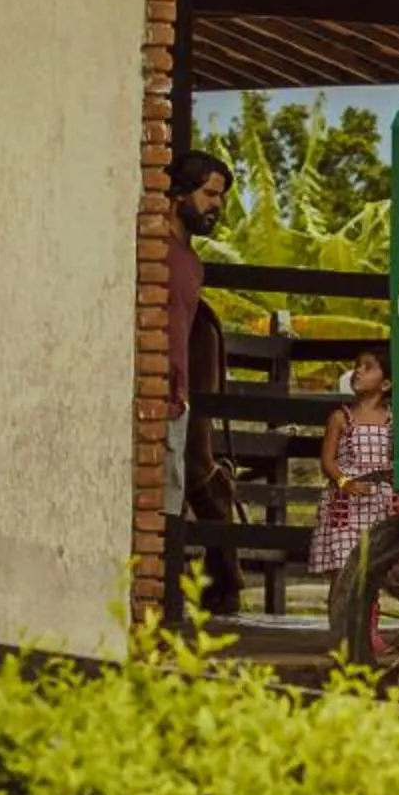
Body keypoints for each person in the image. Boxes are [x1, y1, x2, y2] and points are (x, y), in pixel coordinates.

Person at [163, 148, 232, 520]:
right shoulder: (154, 251)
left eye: (220, 196)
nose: (217, 204)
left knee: (168, 513)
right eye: (208, 193)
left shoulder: (192, 263)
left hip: (178, 401)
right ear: (178, 193)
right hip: (150, 398)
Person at [311, 345, 395, 574]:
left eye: (368, 368)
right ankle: (338, 609)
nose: (358, 371)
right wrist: (344, 482)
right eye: (357, 366)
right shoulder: (340, 418)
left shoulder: (393, 421)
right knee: (343, 569)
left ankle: (370, 610)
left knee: (374, 570)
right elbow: (328, 462)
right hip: (344, 504)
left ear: (385, 384)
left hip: (378, 503)